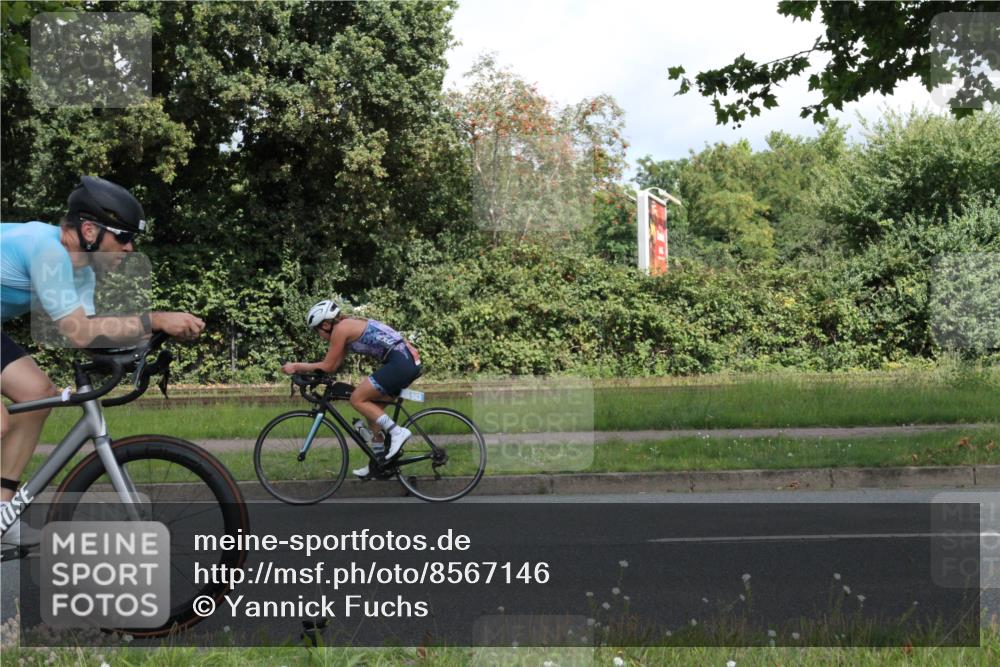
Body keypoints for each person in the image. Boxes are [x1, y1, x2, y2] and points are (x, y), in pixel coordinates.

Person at [0, 176, 205, 547]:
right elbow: (81, 333)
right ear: (90, 230)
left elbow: (92, 336)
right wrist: (156, 320)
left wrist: (149, 345)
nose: (129, 248)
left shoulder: (82, 270)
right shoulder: (47, 252)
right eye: (123, 237)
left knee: (37, 395)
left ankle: (1, 508)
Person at [282, 299, 422, 478]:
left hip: (401, 363)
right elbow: (332, 367)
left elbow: (327, 364)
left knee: (357, 398)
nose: (319, 336)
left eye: (317, 331)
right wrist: (311, 373)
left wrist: (296, 366)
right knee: (373, 411)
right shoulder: (346, 327)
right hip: (406, 361)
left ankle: (397, 432)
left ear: (325, 325)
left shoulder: (341, 329)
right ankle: (378, 463)